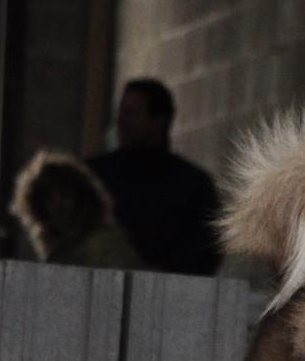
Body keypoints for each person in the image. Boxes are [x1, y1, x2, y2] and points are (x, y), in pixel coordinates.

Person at [88, 78, 221, 276]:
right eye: (121, 113)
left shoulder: (193, 185)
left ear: (158, 121)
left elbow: (205, 251)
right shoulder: (94, 177)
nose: (121, 122)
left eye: (132, 114)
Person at [11, 150, 145, 269]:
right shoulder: (60, 251)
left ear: (81, 198)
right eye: (49, 198)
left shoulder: (104, 245)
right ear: (39, 207)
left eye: (65, 195)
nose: (58, 205)